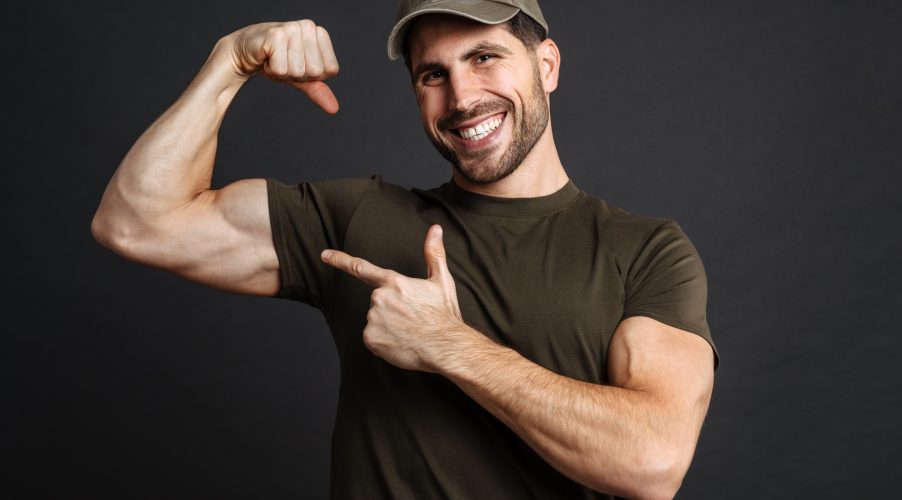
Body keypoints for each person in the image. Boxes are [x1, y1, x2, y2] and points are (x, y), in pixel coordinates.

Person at [92, 0, 719, 498]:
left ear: (547, 64)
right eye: (433, 74)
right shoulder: (362, 219)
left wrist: (448, 345)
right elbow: (136, 220)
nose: (463, 96)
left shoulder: (644, 250)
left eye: (484, 57)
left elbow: (653, 461)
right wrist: (228, 65)